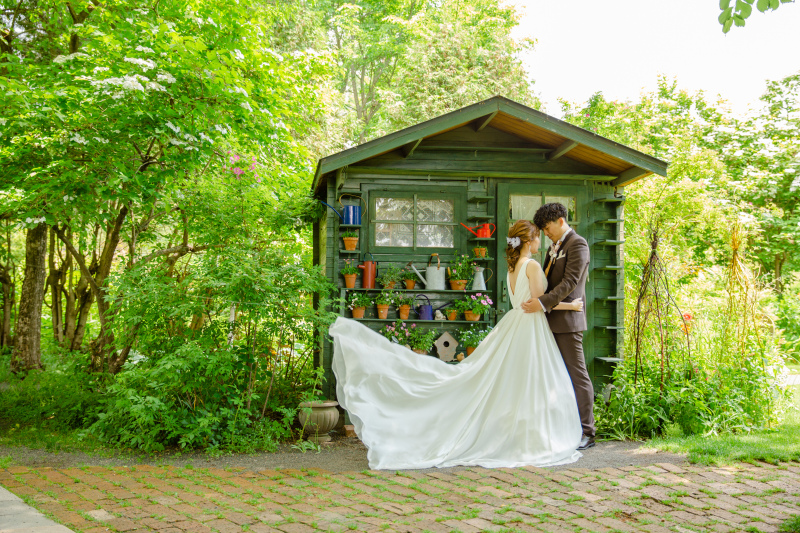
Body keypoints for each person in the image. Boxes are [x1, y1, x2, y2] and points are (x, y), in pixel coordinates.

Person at [329, 220, 584, 470]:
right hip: (529, 326)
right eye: (538, 236)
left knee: (515, 381)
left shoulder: (513, 267)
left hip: (515, 323)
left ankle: (523, 434)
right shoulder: (532, 266)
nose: (540, 240)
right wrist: (571, 305)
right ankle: (530, 437)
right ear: (529, 241)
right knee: (530, 382)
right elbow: (539, 302)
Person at [523, 203, 595, 450]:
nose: (545, 233)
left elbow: (570, 282)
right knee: (554, 375)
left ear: (560, 221)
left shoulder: (578, 244)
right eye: (541, 229)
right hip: (548, 320)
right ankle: (562, 428)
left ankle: (588, 432)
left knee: (577, 375)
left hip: (568, 321)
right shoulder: (555, 247)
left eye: (547, 227)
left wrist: (541, 303)